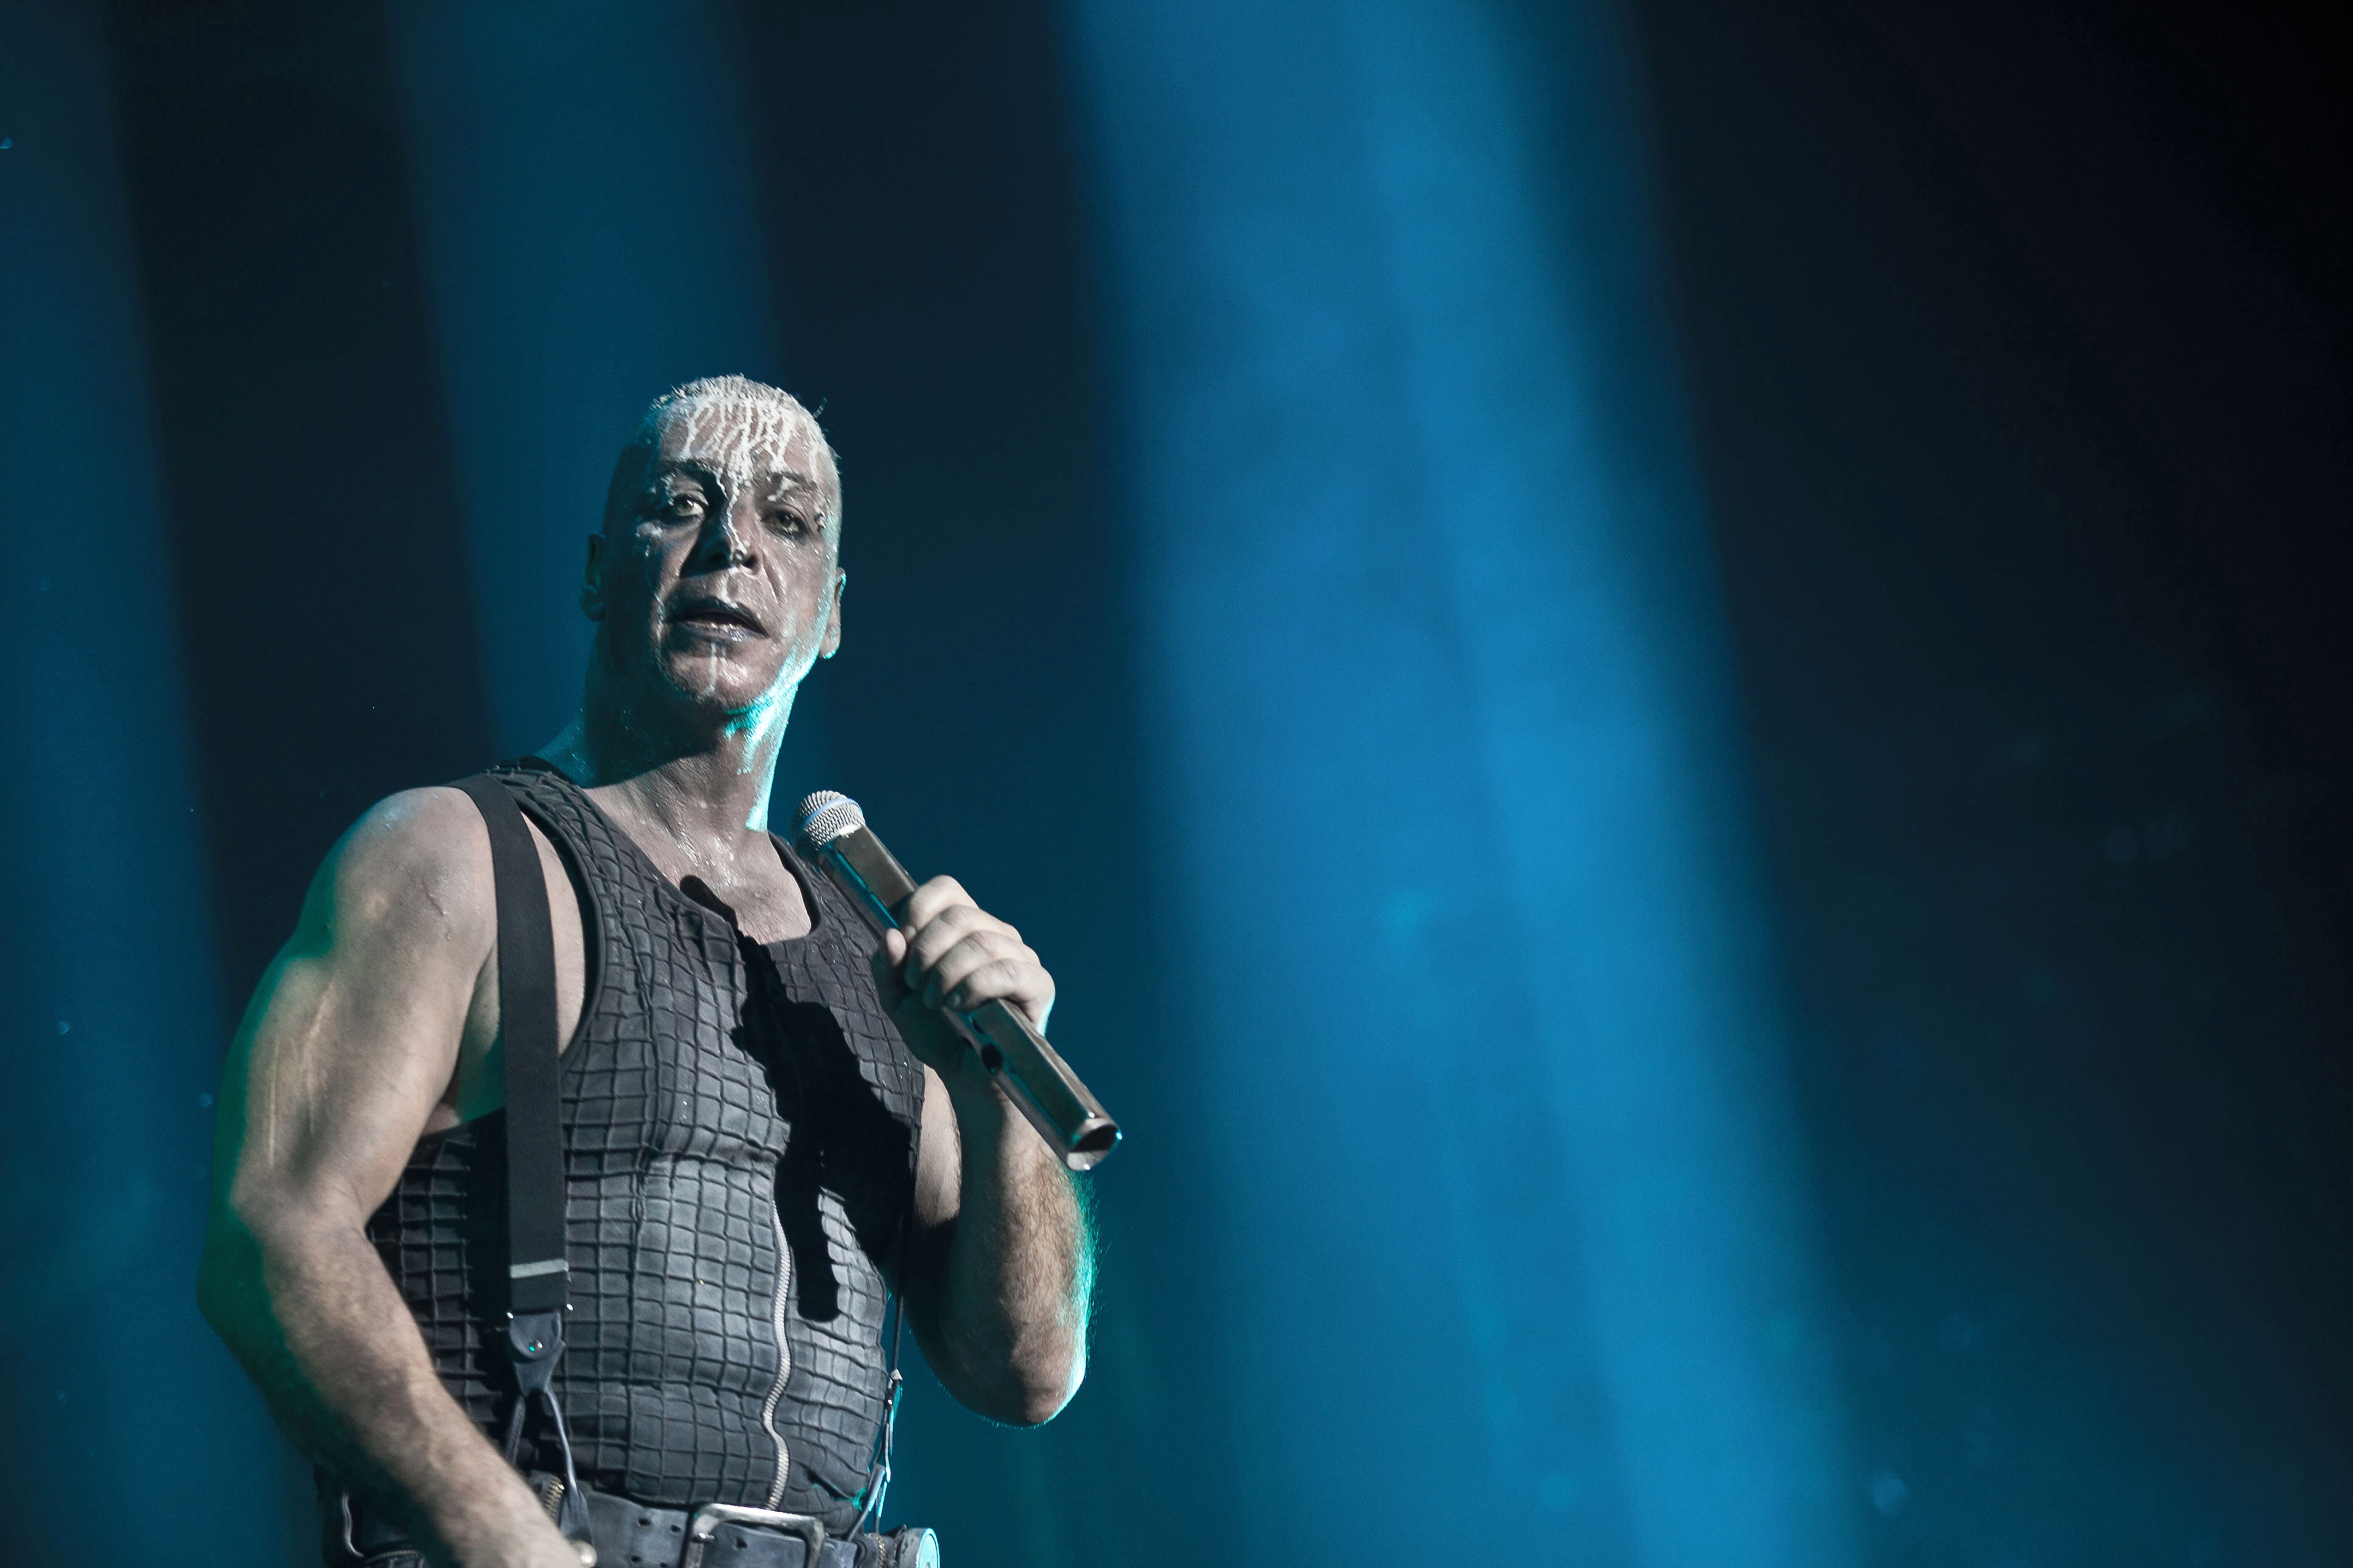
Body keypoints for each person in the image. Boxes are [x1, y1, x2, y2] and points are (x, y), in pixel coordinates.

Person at [199, 376, 1093, 1568]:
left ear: (832, 612)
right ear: (595, 574)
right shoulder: (454, 859)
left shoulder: (879, 959)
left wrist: (995, 1097)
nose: (734, 547)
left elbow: (1026, 1373)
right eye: (681, 505)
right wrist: (498, 1535)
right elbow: (271, 1232)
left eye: (788, 520)